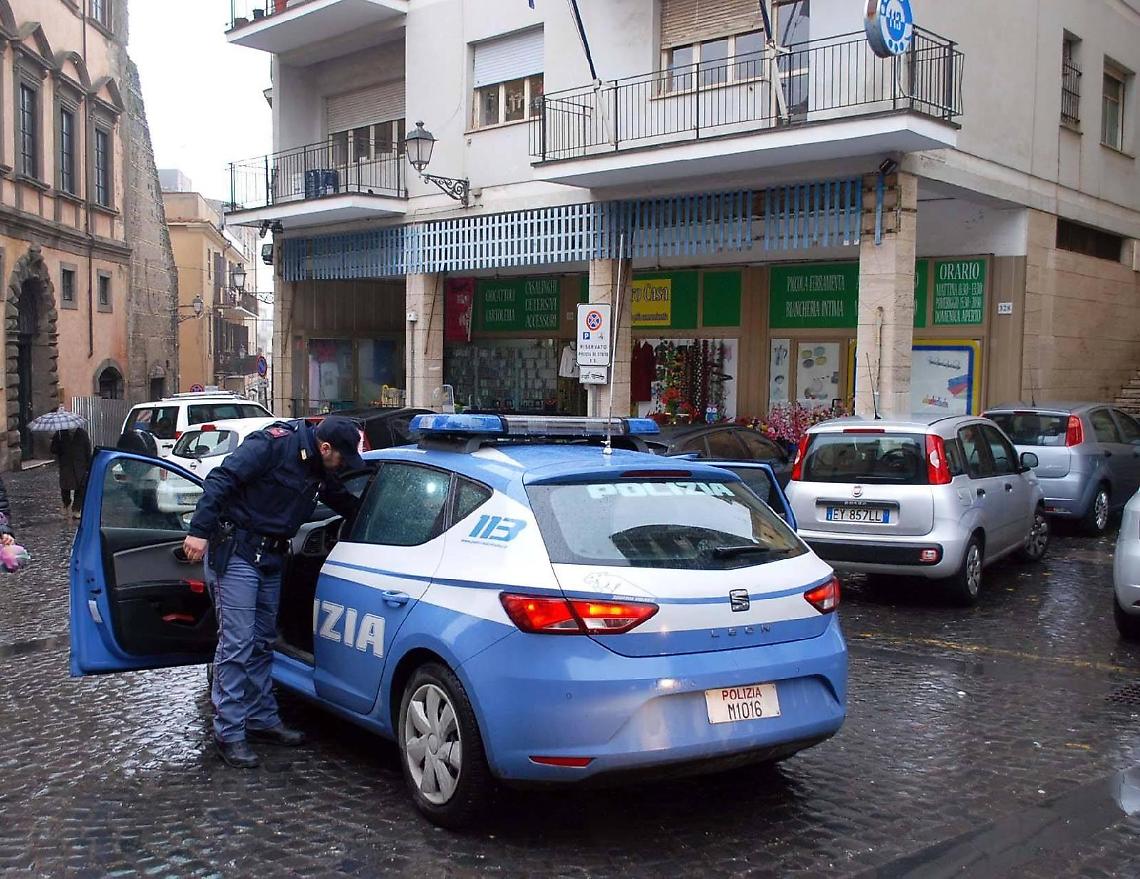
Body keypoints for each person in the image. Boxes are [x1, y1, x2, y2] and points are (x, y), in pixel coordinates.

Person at [182, 416, 363, 769]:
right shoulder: (272, 444)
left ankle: (261, 718)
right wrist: (199, 530)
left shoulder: (320, 465)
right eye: (342, 458)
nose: (342, 466)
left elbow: (336, 495)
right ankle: (229, 732)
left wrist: (370, 515)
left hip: (272, 556)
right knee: (237, 644)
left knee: (263, 641)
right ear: (325, 448)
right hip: (237, 551)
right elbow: (221, 479)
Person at [50, 427, 92, 519]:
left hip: (80, 464)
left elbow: (87, 449)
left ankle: (76, 509)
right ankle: (66, 503)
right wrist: (57, 443)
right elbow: (53, 449)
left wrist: (88, 465)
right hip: (66, 464)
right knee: (65, 487)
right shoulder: (60, 434)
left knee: (81, 487)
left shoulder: (82, 433)